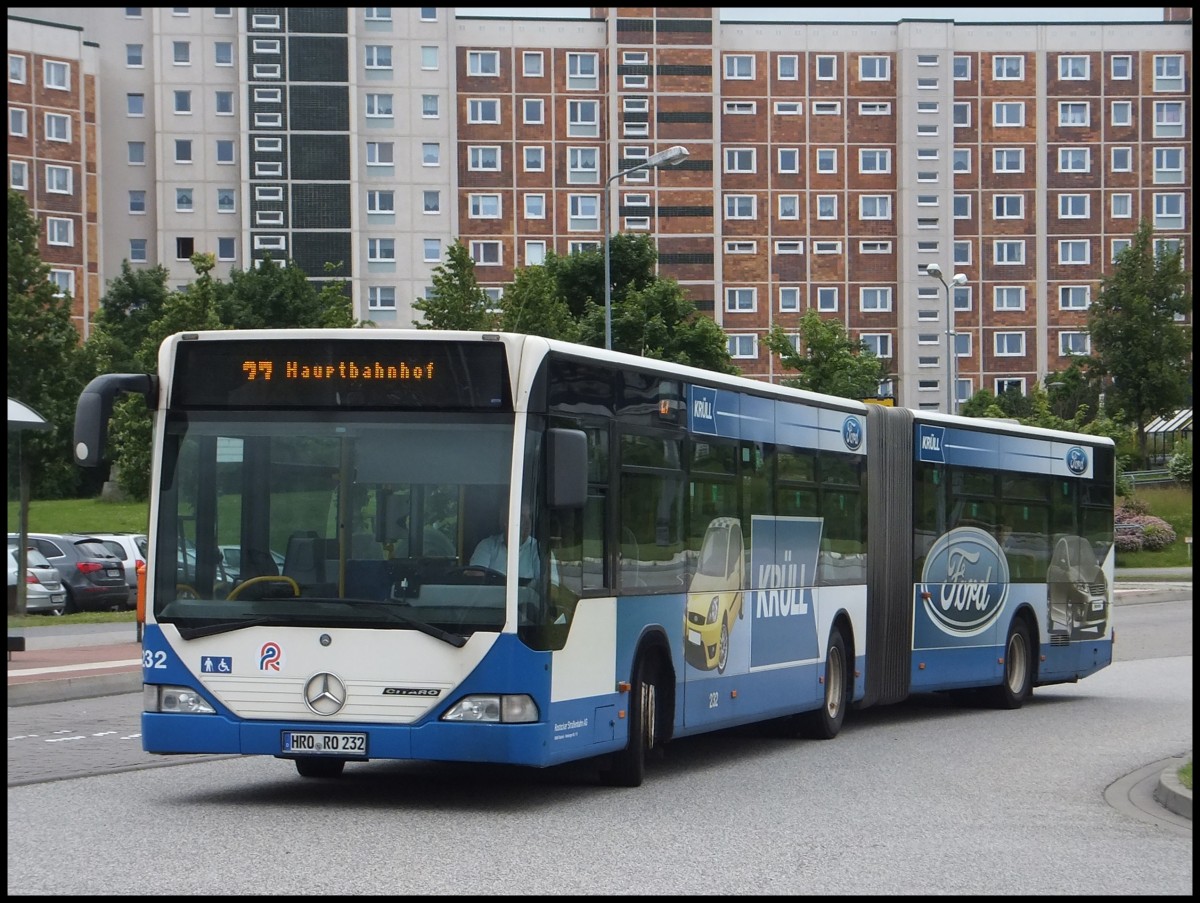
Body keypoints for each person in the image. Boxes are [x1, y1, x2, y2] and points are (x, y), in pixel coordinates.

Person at [470, 507, 541, 579]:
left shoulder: (537, 549)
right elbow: (476, 578)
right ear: (506, 521)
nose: (528, 523)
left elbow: (542, 581)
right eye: (521, 517)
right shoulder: (487, 545)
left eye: (530, 517)